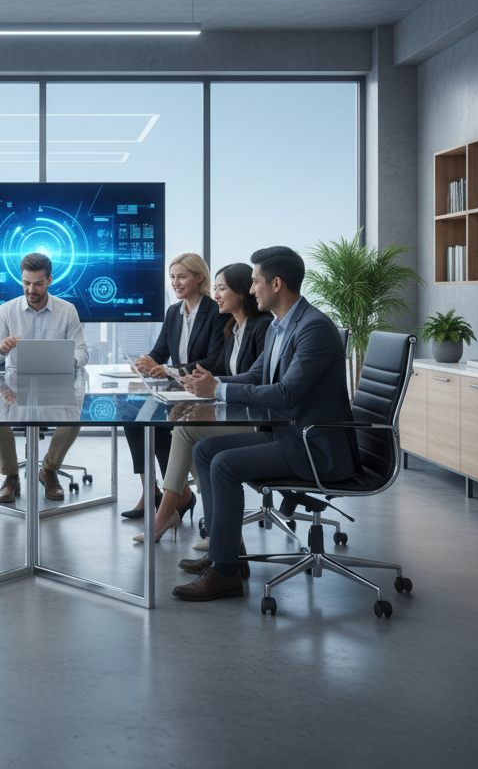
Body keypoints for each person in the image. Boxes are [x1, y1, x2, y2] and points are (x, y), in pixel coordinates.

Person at [172, 246, 355, 602]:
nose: (252, 289)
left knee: (225, 464)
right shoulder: (277, 326)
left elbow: (287, 393)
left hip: (313, 446)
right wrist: (212, 383)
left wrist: (219, 390)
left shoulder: (314, 328)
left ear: (276, 283)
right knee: (206, 450)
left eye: (255, 282)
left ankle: (225, 573)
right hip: (287, 435)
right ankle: (224, 552)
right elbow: (257, 376)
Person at [132, 262, 272, 543]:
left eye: (222, 289)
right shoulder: (232, 328)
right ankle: (206, 521)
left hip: (254, 418)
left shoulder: (262, 326)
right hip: (230, 409)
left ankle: (171, 515)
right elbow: (218, 369)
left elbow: (255, 378)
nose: (216, 295)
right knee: (173, 425)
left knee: (187, 432)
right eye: (216, 288)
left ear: (241, 292)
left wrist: (201, 384)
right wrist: (193, 385)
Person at [122, 253, 227, 520]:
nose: (175, 283)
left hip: (204, 394)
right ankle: (150, 491)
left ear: (199, 278)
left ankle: (180, 494)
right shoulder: (173, 312)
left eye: (182, 277)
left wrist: (172, 370)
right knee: (134, 419)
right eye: (172, 277)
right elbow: (160, 352)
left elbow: (215, 361)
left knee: (159, 427)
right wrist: (145, 363)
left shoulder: (215, 311)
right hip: (179, 392)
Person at [0, 252, 89, 502]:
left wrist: (70, 360)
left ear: (49, 280)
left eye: (38, 283)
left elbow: (82, 352)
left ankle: (49, 469)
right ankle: (11, 476)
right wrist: (2, 350)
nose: (31, 289)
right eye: (26, 283)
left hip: (56, 384)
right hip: (15, 387)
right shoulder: (6, 310)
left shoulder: (67, 310)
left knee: (73, 418)